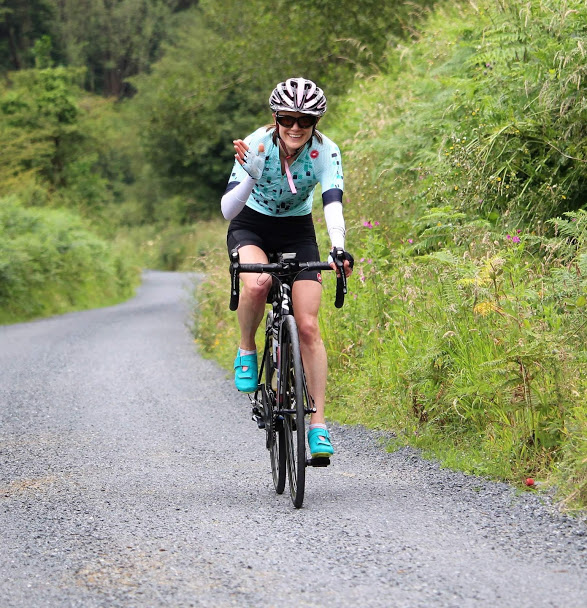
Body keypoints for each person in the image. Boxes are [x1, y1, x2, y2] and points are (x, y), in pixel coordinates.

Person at [220, 77, 353, 459]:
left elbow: (332, 201)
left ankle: (318, 424)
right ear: (276, 118)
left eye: (305, 120)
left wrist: (338, 247)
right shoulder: (257, 144)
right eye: (287, 119)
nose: (296, 127)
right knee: (258, 283)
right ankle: (247, 347)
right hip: (251, 224)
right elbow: (227, 210)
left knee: (308, 325)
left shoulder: (325, 151)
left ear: (315, 122)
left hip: (297, 230)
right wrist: (251, 176)